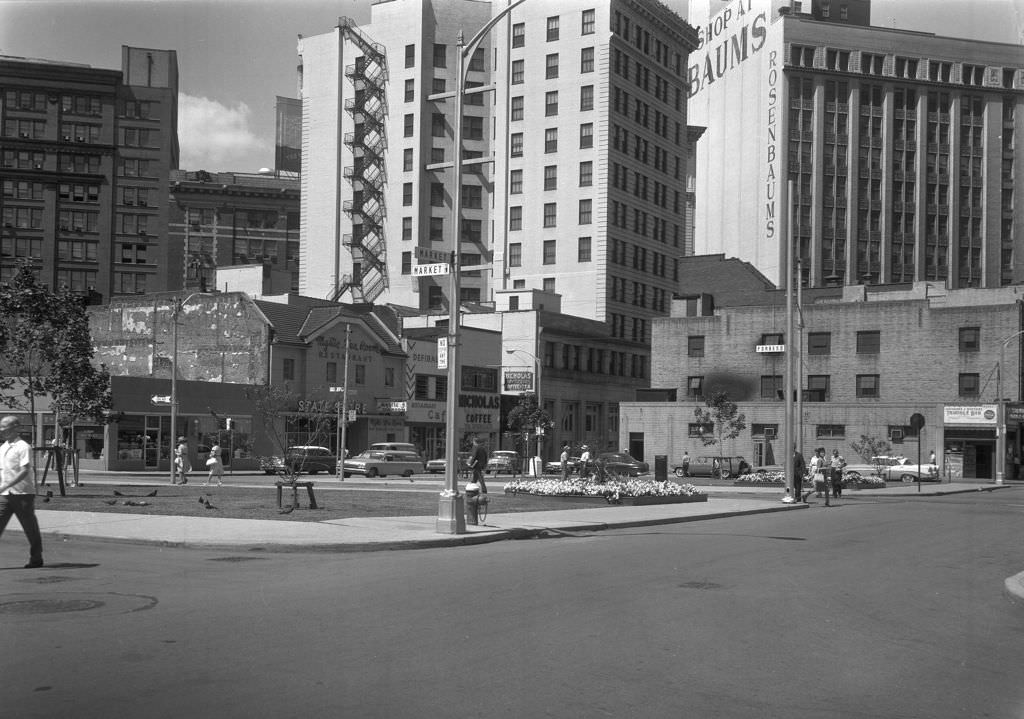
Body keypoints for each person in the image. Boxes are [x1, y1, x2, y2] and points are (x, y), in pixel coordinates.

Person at [0, 416, 43, 568]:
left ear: (16, 428)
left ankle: (36, 558)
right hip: (5, 496)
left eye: (5, 427)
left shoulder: (23, 447)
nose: (2, 430)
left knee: (30, 528)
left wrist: (5, 486)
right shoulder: (3, 447)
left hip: (23, 495)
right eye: (1, 427)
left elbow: (25, 471)